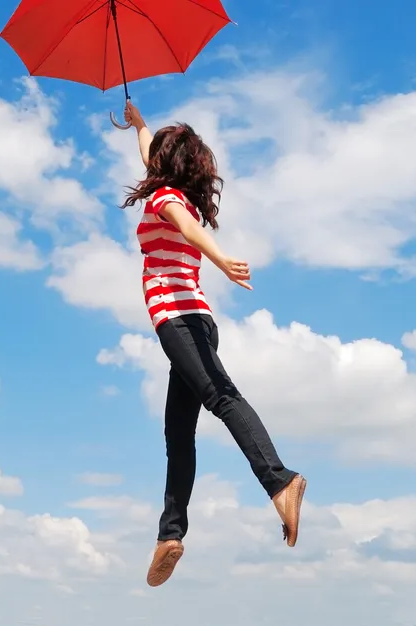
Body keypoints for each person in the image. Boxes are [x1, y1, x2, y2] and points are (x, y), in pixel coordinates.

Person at [120, 100, 306, 588]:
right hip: (194, 323)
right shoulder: (174, 191)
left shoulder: (167, 201)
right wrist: (140, 126)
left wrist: (222, 260)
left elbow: (187, 227)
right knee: (177, 433)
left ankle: (279, 480)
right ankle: (170, 535)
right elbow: (153, 165)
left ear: (167, 164)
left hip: (179, 322)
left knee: (222, 398)